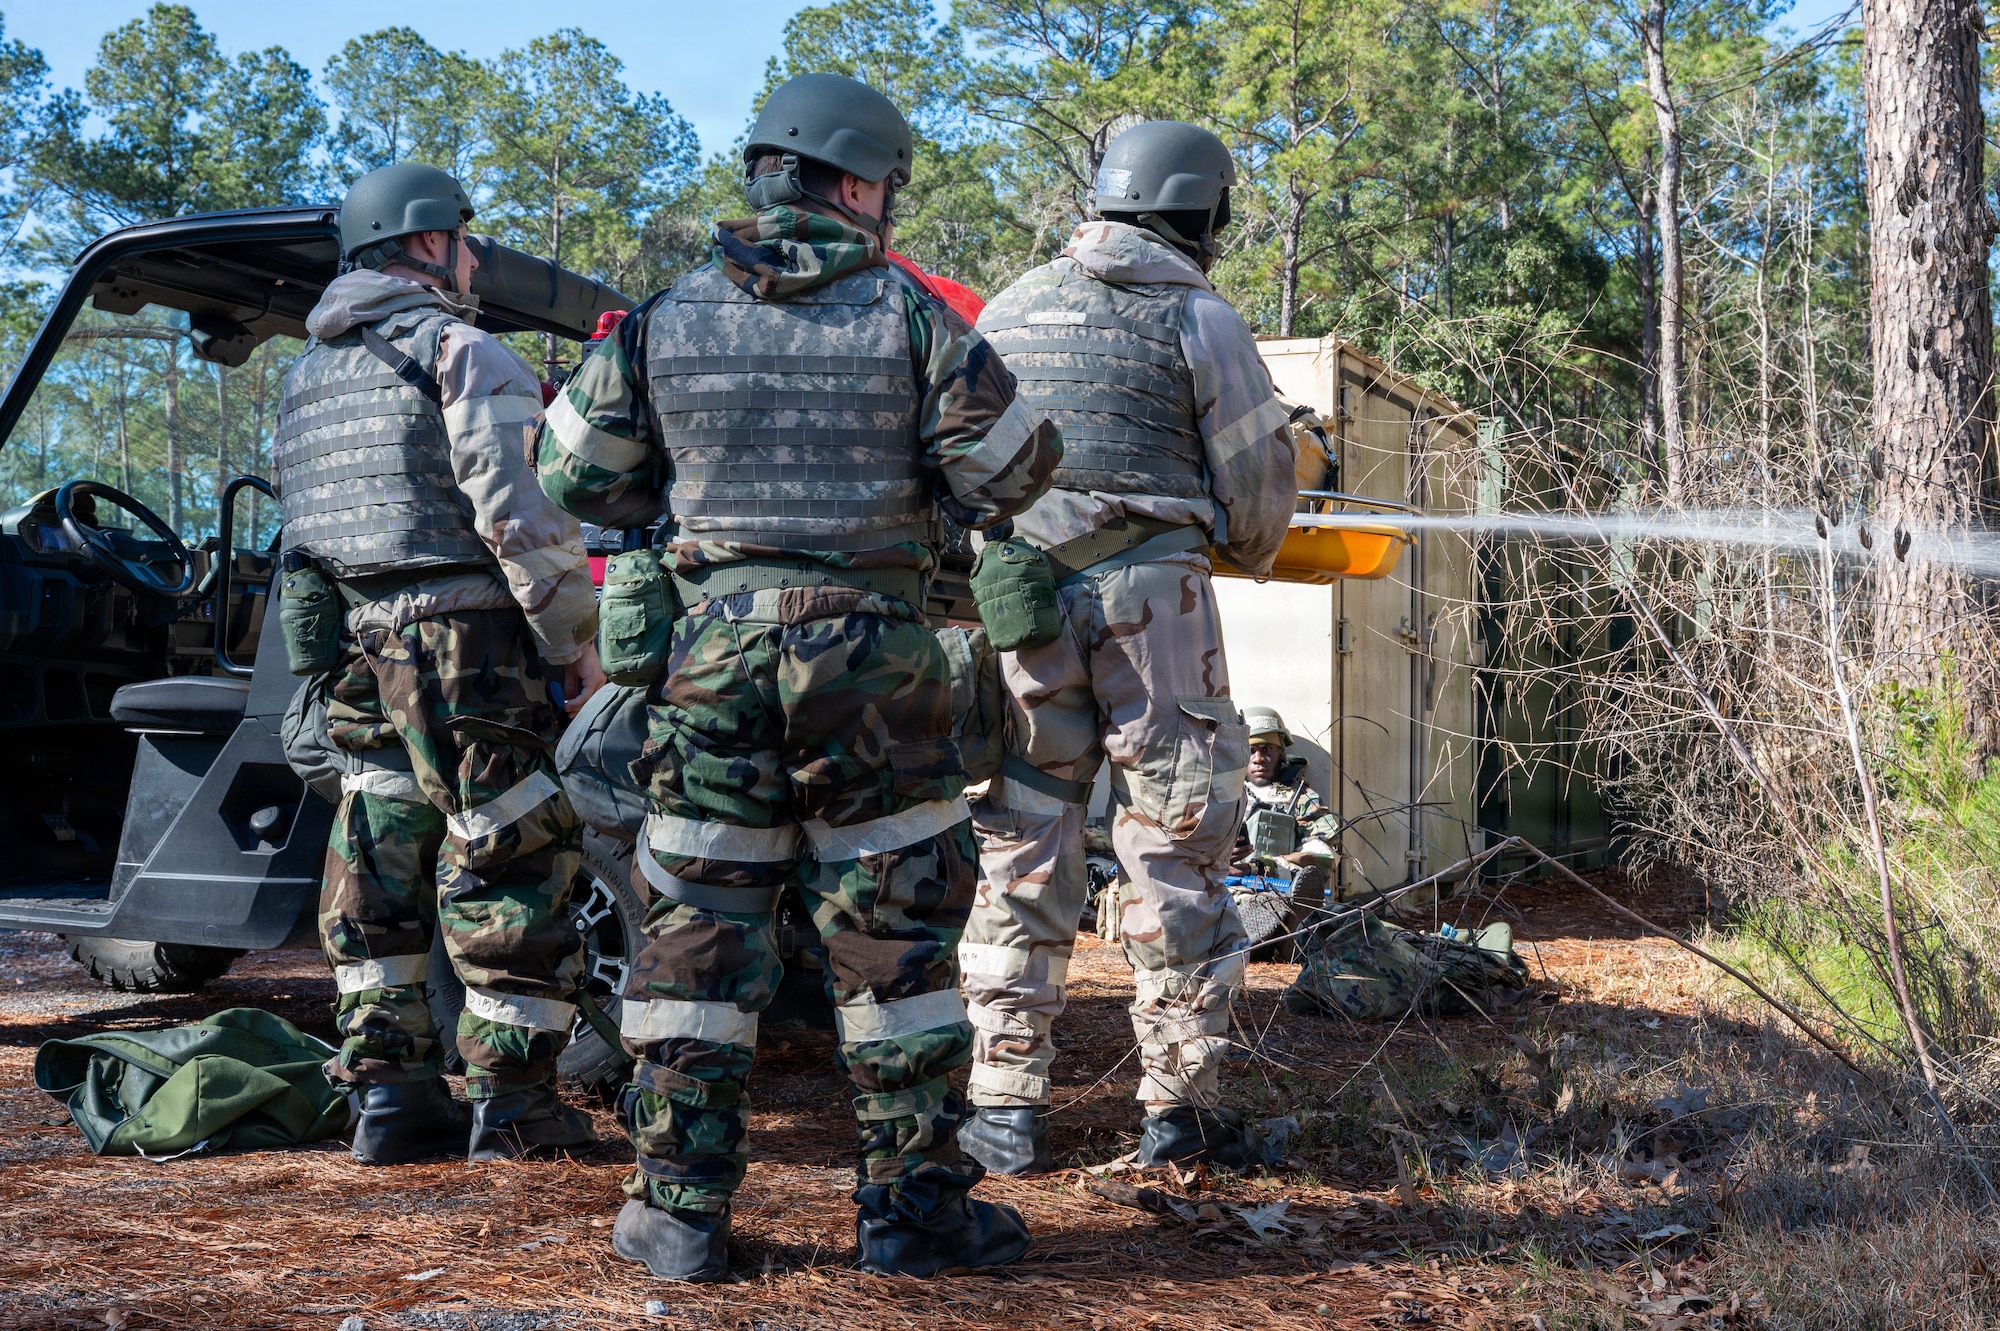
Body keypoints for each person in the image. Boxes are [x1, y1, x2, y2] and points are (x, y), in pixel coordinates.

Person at [536, 72, 1062, 1281]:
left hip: (712, 653)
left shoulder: (663, 318)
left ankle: (676, 1212)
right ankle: (911, 1214)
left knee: (698, 930)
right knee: (892, 944)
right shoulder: (914, 314)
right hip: (873, 658)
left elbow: (572, 478)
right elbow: (1016, 465)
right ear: (863, 183)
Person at [958, 121, 1299, 1176]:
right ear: (1200, 213)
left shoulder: (1008, 305)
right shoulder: (1197, 314)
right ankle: (1179, 1109)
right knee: (1177, 839)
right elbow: (1257, 497)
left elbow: (967, 462)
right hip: (1151, 602)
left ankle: (1004, 1109)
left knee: (1019, 840)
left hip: (1014, 595)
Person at [273, 163, 607, 1167]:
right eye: (464, 239)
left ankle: (388, 1097)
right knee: (507, 853)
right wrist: (574, 642)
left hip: (360, 645)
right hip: (467, 644)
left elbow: (303, 540)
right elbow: (521, 516)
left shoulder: (304, 379)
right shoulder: (464, 353)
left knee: (374, 863)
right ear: (426, 243)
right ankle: (512, 1105)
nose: (471, 258)